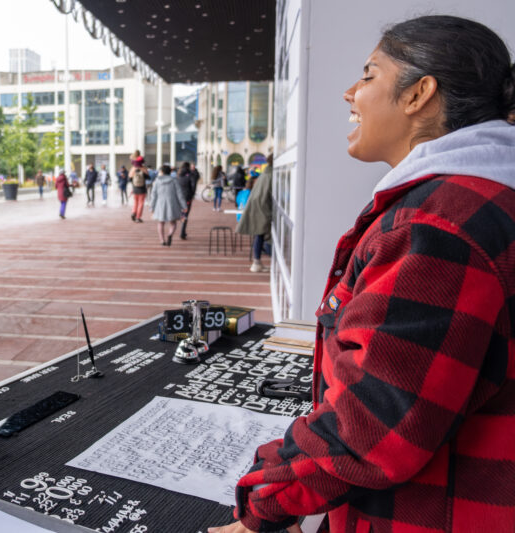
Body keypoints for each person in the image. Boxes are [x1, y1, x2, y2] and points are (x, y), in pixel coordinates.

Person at [210, 15, 515, 533]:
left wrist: (262, 506)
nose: (350, 92)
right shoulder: (478, 199)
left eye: (369, 75)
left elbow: (372, 423)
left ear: (419, 93)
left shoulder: (438, 225)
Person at [236, 154, 273, 272]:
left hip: (259, 208)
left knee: (260, 235)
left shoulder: (265, 175)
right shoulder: (270, 175)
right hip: (263, 209)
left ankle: (257, 262)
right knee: (262, 235)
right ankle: (257, 262)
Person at [149, 165, 187, 246]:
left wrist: (152, 207)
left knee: (160, 223)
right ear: (170, 172)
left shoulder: (157, 181)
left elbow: (153, 195)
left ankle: (162, 240)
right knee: (173, 223)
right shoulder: (174, 181)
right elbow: (180, 194)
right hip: (172, 204)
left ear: (162, 172)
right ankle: (170, 234)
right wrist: (184, 206)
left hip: (160, 204)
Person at [177, 161, 199, 240]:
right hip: (187, 197)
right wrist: (192, 194)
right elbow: (193, 186)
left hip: (179, 197)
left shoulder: (178, 175)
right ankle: (182, 232)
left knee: (182, 213)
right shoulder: (190, 175)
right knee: (185, 214)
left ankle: (181, 227)